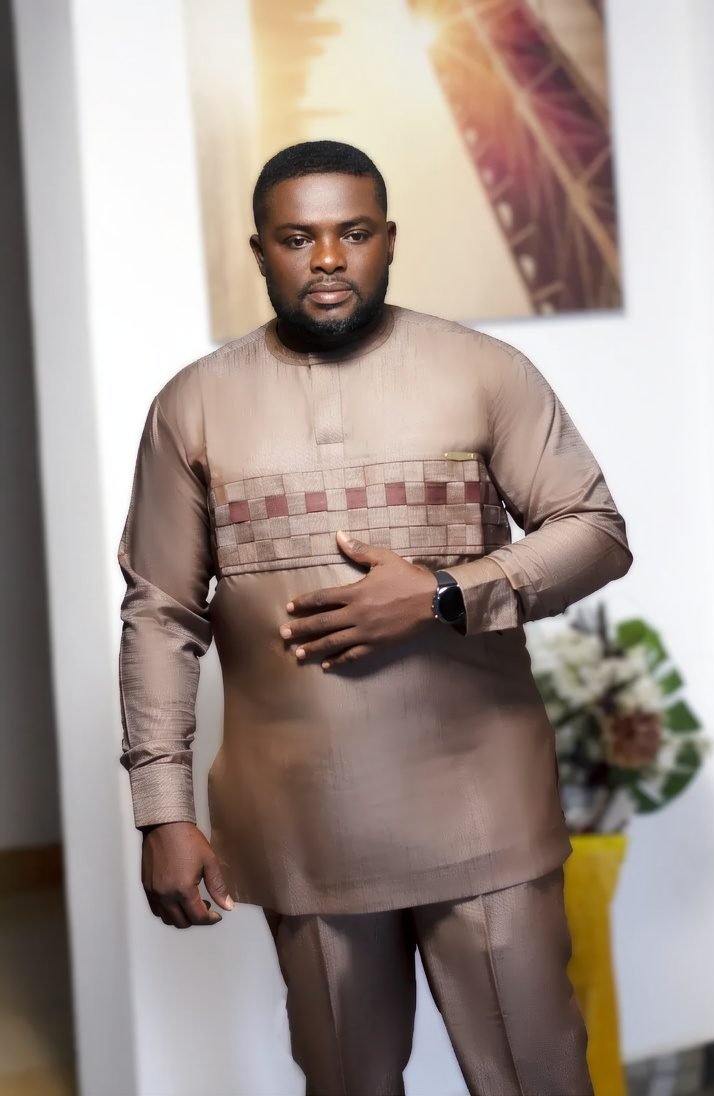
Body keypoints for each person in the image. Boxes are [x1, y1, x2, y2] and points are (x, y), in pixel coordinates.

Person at [117, 139, 632, 1096]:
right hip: (300, 825)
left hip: (484, 805)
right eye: (296, 238)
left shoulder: (484, 371)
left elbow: (595, 532)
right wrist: (163, 811)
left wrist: (443, 593)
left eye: (352, 233)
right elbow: (160, 614)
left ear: (388, 239)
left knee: (538, 1078)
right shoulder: (192, 406)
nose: (327, 259)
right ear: (260, 250)